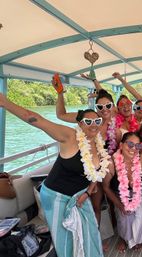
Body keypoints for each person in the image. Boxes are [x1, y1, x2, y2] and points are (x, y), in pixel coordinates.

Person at [0, 93, 111, 257]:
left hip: (80, 195)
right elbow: (36, 119)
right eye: (88, 121)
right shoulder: (69, 136)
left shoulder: (98, 142)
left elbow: (97, 174)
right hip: (56, 195)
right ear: (80, 123)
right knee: (65, 239)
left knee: (90, 230)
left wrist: (88, 192)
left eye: (97, 121)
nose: (93, 125)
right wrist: (5, 103)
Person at [52, 77, 120, 224]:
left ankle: (114, 230)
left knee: (113, 200)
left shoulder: (116, 125)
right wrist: (60, 93)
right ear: (96, 108)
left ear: (113, 105)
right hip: (89, 169)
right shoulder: (87, 119)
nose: (104, 110)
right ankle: (96, 237)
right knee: (95, 205)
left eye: (108, 106)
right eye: (100, 107)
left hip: (107, 169)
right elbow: (61, 115)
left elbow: (118, 149)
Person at [102, 132, 142, 252]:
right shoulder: (111, 163)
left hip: (138, 192)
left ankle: (139, 239)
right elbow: (106, 187)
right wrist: (119, 205)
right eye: (130, 144)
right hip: (118, 194)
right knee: (124, 218)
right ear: (121, 145)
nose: (134, 149)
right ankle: (124, 239)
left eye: (138, 146)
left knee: (139, 216)